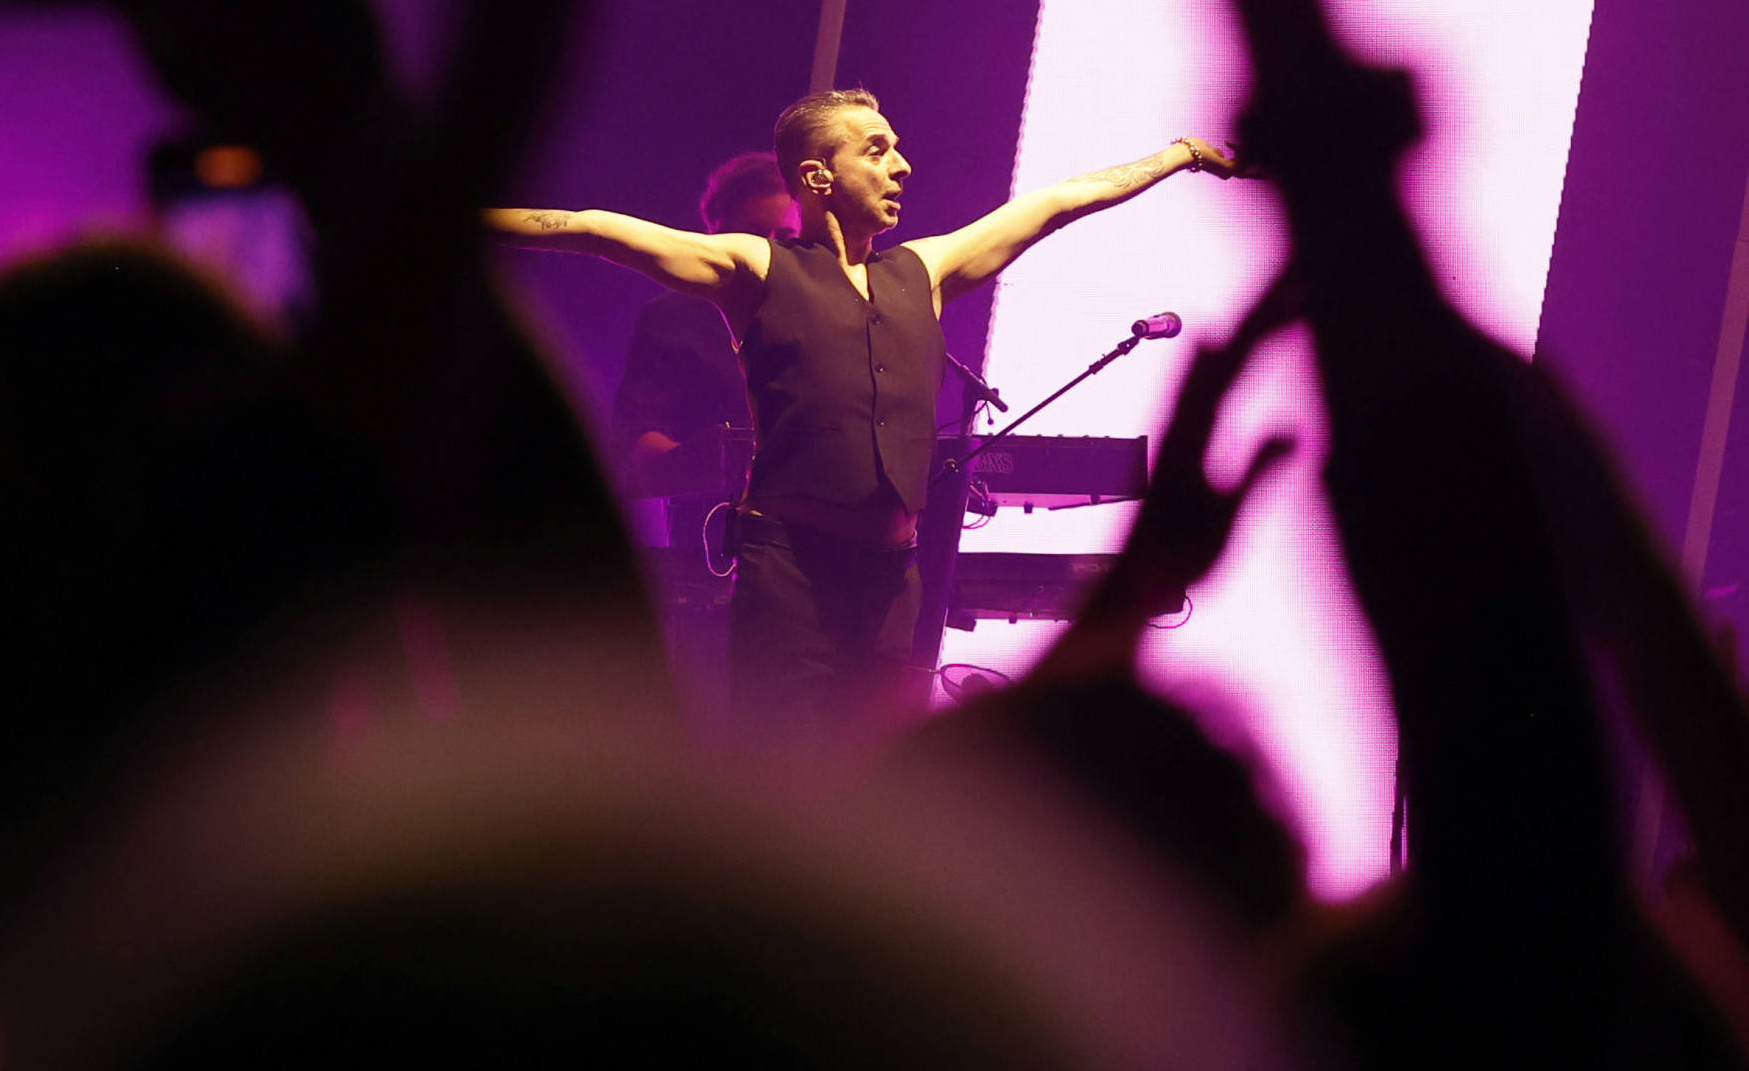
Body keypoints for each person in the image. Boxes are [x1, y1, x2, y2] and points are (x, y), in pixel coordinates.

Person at [487, 88, 1246, 752]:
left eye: (899, 150)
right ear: (818, 177)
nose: (901, 166)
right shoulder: (755, 268)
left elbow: (1059, 202)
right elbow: (590, 228)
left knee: (875, 770)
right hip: (790, 572)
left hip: (891, 579)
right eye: (877, 150)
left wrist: (1179, 155)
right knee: (779, 767)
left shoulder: (926, 268)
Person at [608, 151, 794, 494]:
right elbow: (637, 440)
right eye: (752, 235)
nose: (767, 253)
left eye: (784, 239)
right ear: (715, 233)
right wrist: (723, 469)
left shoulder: (826, 313)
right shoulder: (672, 317)